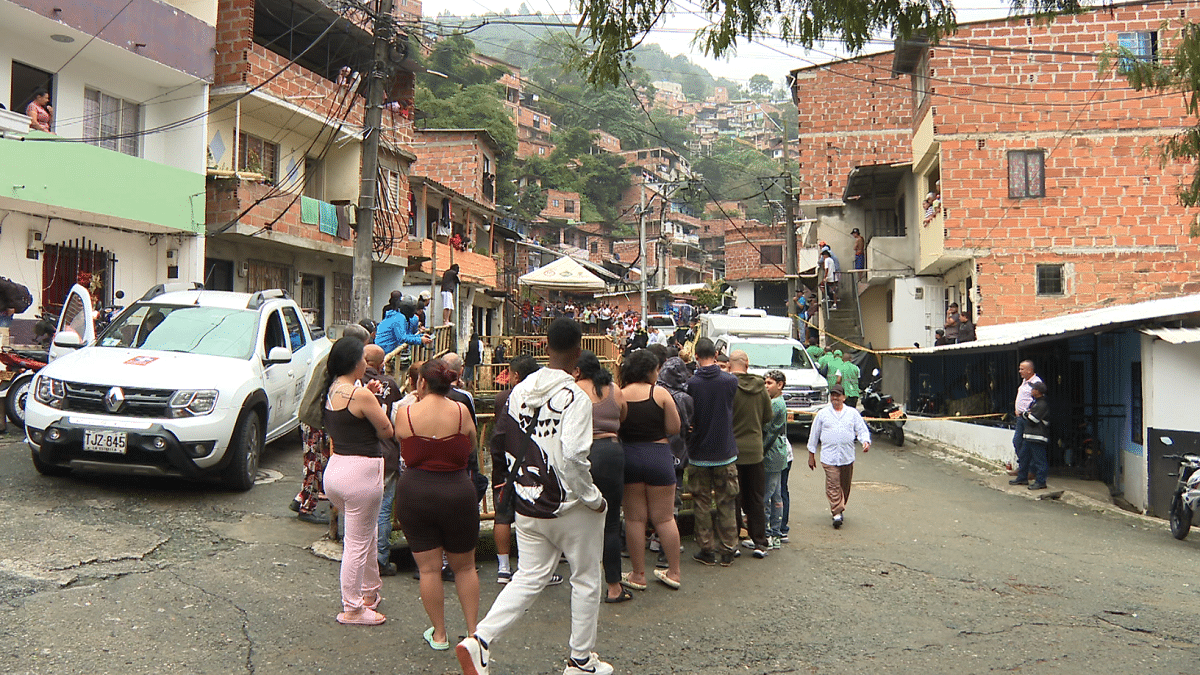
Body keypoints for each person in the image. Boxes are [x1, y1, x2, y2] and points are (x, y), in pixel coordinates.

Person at [457, 318, 611, 675]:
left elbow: (502, 440)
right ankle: (581, 659)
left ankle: (480, 640)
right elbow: (574, 456)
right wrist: (592, 497)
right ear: (578, 351)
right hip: (570, 505)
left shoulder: (520, 390)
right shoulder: (576, 397)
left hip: (528, 501)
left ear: (545, 345)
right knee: (586, 579)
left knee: (528, 576)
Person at [396, 358, 480, 650]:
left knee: (429, 569)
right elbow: (471, 444)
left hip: (416, 492)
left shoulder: (406, 413)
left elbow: (400, 441)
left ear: (421, 382)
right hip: (457, 490)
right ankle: (473, 634)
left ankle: (440, 634)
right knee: (465, 568)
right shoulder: (461, 411)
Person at [322, 336, 394, 625]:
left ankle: (369, 592)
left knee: (366, 536)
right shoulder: (359, 395)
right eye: (363, 358)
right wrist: (376, 403)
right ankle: (352, 607)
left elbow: (352, 413)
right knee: (356, 543)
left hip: (337, 470)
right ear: (355, 363)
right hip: (361, 474)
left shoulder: (332, 389)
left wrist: (368, 394)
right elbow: (386, 430)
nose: (366, 363)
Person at [488, 355, 564, 587]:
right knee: (539, 514)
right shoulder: (552, 397)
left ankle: (503, 567)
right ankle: (538, 568)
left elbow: (498, 436)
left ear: (516, 376)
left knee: (503, 515)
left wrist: (499, 464)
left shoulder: (503, 398)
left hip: (508, 465)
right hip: (538, 466)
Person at [292, 324, 371, 524]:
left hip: (313, 414)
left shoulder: (333, 356)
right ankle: (306, 507)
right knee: (315, 463)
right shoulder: (339, 362)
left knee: (316, 461)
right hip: (315, 417)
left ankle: (301, 499)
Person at [619, 349, 683, 591]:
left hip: (630, 456)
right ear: (649, 371)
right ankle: (674, 572)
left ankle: (638, 575)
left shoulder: (620, 394)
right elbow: (674, 427)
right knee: (665, 518)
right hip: (658, 456)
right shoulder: (660, 393)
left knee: (634, 519)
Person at [574, 350, 629, 603]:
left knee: (579, 521)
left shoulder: (573, 391)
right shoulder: (614, 390)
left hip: (582, 455)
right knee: (611, 522)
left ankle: (583, 585)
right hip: (611, 453)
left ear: (578, 371)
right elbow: (622, 416)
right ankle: (614, 587)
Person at [685, 337, 741, 567]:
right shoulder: (730, 381)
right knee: (727, 502)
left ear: (696, 356)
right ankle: (728, 549)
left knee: (701, 503)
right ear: (716, 355)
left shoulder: (691, 384)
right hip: (725, 452)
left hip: (699, 452)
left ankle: (706, 549)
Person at [807, 383, 871, 529]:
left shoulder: (852, 413)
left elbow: (861, 429)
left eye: (838, 395)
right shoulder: (823, 414)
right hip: (829, 457)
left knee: (844, 486)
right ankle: (836, 512)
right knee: (833, 484)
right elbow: (814, 435)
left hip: (847, 457)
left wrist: (865, 441)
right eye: (833, 395)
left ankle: (840, 507)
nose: (835, 398)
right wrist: (811, 455)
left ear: (844, 397)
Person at [363, 345, 403, 576]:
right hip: (387, 453)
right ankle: (380, 559)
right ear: (381, 364)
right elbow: (396, 416)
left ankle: (358, 557)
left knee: (357, 509)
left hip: (359, 453)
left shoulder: (352, 385)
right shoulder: (390, 384)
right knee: (383, 509)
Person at [729, 350, 773, 558]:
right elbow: (767, 416)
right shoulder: (760, 387)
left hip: (733, 450)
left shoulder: (728, 386)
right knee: (756, 497)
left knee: (734, 498)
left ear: (730, 365)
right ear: (747, 364)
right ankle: (760, 543)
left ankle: (734, 542)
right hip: (755, 450)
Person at [762, 370, 789, 550]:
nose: (766, 386)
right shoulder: (778, 402)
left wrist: (760, 450)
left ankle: (767, 534)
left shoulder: (775, 404)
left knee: (766, 496)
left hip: (771, 454)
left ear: (780, 385)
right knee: (776, 495)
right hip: (779, 453)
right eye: (765, 382)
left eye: (769, 383)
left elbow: (768, 431)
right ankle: (776, 532)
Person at [1009, 360, 1043, 478]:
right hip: (1020, 418)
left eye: (1022, 369)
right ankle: (1023, 466)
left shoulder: (1036, 383)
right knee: (1017, 441)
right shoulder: (1024, 382)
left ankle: (1031, 470)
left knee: (1029, 444)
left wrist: (1028, 411)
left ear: (1030, 370)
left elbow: (1037, 400)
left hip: (1028, 419)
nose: (1020, 371)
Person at [1016, 381, 1050, 490]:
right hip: (1029, 436)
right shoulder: (1035, 403)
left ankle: (1041, 482)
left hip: (1037, 437)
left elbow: (1033, 420)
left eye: (1033, 389)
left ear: (1038, 391)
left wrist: (1025, 414)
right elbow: (1029, 416)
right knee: (1023, 457)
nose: (1031, 391)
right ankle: (1022, 478)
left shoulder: (1042, 404)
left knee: (1039, 460)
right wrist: (1027, 414)